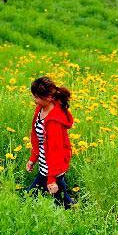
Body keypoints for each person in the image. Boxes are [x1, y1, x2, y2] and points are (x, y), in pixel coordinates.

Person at [26, 76, 75, 208]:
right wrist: (33, 158)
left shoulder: (54, 121)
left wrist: (51, 178)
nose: (34, 100)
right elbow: (38, 138)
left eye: (36, 97)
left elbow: (55, 151)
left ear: (48, 97)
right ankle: (71, 205)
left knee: (31, 197)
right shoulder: (41, 109)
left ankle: (71, 211)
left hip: (52, 168)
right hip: (45, 166)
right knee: (61, 198)